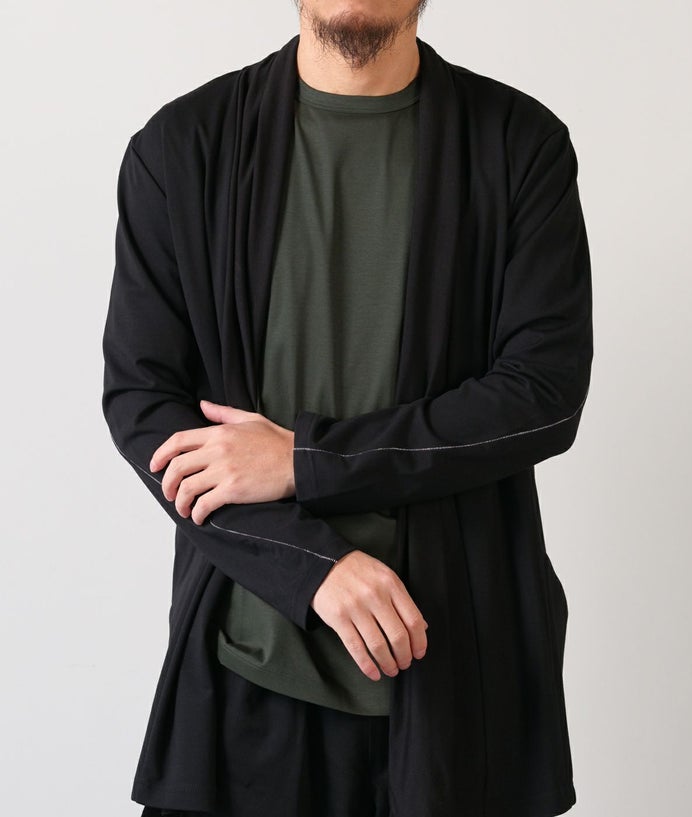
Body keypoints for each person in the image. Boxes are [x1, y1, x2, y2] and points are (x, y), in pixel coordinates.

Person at [101, 2, 594, 816]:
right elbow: (145, 405)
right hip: (245, 666)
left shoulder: (519, 145)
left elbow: (543, 395)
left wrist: (305, 459)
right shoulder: (183, 148)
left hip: (456, 676)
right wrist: (313, 565)